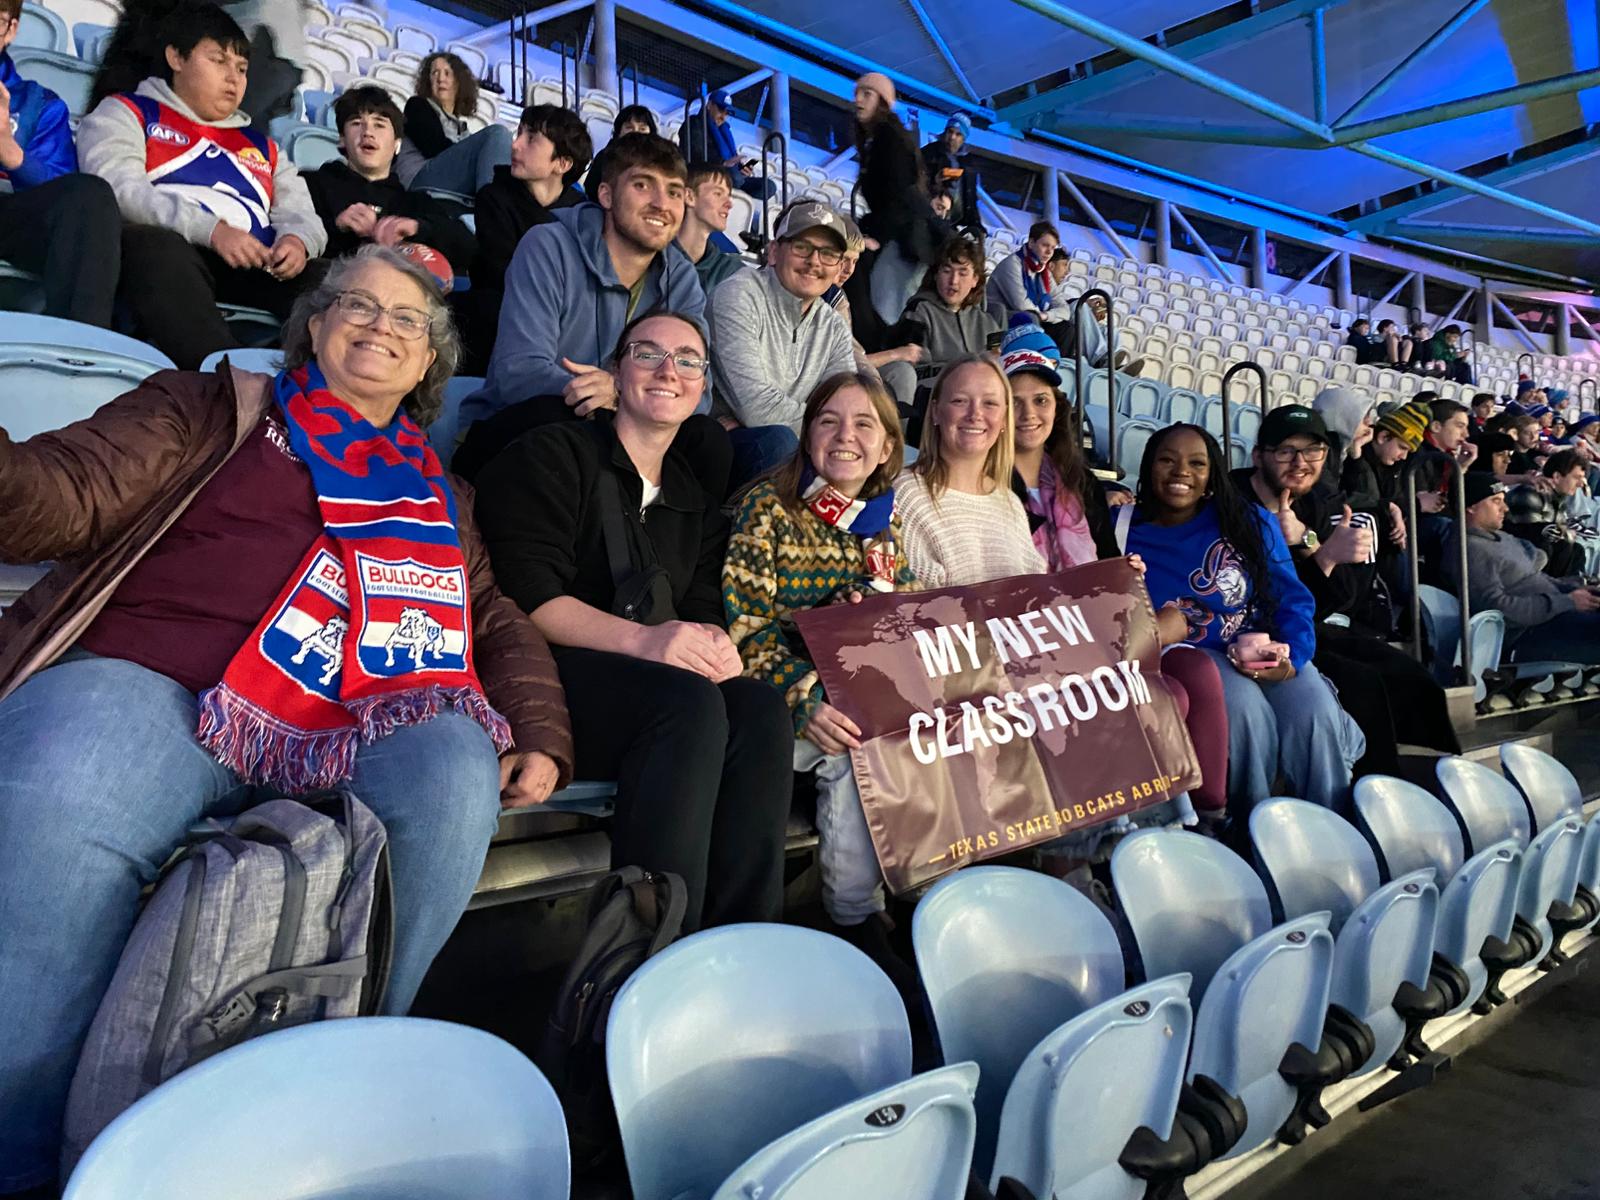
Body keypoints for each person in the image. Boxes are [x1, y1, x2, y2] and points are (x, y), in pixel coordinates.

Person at [0, 246, 574, 1195]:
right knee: (63, 801)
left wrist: (541, 732)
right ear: (313, 325)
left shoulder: (441, 495)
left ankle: (350, 1081)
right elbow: (69, 491)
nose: (381, 325)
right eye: (358, 304)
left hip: (361, 713)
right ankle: (23, 1164)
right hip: (160, 678)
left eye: (408, 320)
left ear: (431, 361)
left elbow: (489, 615)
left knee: (451, 767)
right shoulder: (211, 406)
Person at [473, 311, 793, 932]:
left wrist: (717, 645)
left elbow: (701, 605)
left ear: (703, 387)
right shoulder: (553, 453)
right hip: (548, 676)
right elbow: (525, 596)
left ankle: (747, 939)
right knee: (687, 704)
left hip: (649, 685)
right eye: (647, 353)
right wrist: (646, 641)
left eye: (688, 361)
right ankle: (653, 947)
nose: (667, 371)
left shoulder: (691, 494)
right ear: (617, 372)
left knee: (757, 707)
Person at [723, 373, 916, 974]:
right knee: (853, 748)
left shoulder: (884, 525)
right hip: (781, 707)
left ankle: (920, 899)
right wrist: (804, 698)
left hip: (863, 697)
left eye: (865, 424)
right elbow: (744, 633)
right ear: (807, 436)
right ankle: (852, 919)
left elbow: (907, 620)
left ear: (887, 447)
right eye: (828, 420)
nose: (845, 435)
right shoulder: (768, 509)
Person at [1003, 327, 1229, 817]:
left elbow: (1104, 559)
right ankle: (1122, 828)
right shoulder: (988, 481)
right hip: (1040, 640)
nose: (1028, 413)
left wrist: (1125, 573)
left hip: (1094, 625)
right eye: (1013, 400)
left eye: (1040, 400)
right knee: (1166, 696)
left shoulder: (1076, 480)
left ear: (1056, 407)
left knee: (1197, 667)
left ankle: (1212, 816)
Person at [1121, 423, 1365, 813]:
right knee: (1244, 711)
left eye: (1197, 463)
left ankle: (1333, 821)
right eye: (1166, 460)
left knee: (1314, 710)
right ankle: (1252, 823)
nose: (1181, 471)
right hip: (1192, 656)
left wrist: (1292, 660)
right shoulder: (1123, 530)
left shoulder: (1245, 519)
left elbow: (1292, 598)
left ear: (1212, 474)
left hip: (1261, 646)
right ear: (1148, 467)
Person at [78, 3, 327, 369]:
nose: (234, 78)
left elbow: (300, 212)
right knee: (152, 246)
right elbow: (118, 187)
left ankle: (302, 384)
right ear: (176, 57)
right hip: (178, 251)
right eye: (218, 61)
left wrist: (297, 240)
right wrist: (212, 231)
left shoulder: (264, 147)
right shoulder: (126, 112)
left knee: (334, 281)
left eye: (242, 68)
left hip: (257, 262)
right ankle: (226, 380)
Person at [455, 133, 712, 481]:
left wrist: (620, 396)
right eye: (642, 185)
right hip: (520, 429)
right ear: (606, 195)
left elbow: (699, 388)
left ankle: (657, 534)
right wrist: (618, 398)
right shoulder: (548, 246)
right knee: (561, 413)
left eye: (674, 192)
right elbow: (519, 373)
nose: (661, 204)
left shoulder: (681, 278)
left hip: (626, 433)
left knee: (706, 441)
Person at [1233, 406, 1458, 779]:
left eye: (1313, 451)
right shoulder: (1231, 498)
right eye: (1286, 451)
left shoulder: (1313, 504)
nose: (1301, 462)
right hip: (1251, 631)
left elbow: (1335, 599)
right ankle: (1373, 791)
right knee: (1361, 684)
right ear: (1260, 456)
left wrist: (1311, 545)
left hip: (1306, 626)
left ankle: (1442, 782)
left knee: (1412, 676)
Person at [708, 200, 856, 486]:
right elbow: (757, 409)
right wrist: (830, 428)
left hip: (801, 444)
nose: (814, 262)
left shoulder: (833, 325)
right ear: (775, 252)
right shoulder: (738, 295)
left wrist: (835, 429)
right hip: (727, 447)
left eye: (828, 254)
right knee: (779, 442)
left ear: (838, 267)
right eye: (802, 247)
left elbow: (845, 406)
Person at [0, 0, 122, 327]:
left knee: (90, 196)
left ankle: (81, 350)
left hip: (7, 210)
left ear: (10, 30)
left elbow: (63, 192)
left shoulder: (38, 103)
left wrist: (12, 155)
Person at [896, 354, 1044, 586]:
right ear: (935, 411)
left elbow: (1034, 594)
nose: (975, 415)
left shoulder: (1011, 504)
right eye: (960, 401)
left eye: (990, 403)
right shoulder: (905, 495)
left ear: (1005, 419)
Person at [465, 102, 592, 368]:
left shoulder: (584, 216)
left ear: (562, 163)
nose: (515, 145)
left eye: (531, 139)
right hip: (503, 320)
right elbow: (501, 274)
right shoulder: (494, 197)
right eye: (518, 133)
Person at [303, 86, 476, 274]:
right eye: (356, 123)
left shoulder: (415, 203)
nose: (367, 132)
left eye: (379, 124)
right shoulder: (310, 184)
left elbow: (467, 249)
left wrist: (418, 229)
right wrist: (335, 227)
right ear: (342, 140)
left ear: (397, 144)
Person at [1441, 474, 1600, 665]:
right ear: (1471, 507)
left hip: (1553, 617)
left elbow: (1536, 574)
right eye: (1496, 501)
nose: (1505, 508)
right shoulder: (1469, 550)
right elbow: (1497, 608)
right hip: (1527, 635)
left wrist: (1578, 587)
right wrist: (1566, 601)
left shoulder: (1499, 537)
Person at [852, 71, 936, 328]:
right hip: (893, 234)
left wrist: (876, 236)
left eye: (867, 94)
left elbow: (900, 195)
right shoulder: (877, 140)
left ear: (883, 102)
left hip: (901, 240)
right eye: (857, 93)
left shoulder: (890, 140)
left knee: (881, 312)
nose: (858, 100)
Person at [828, 216, 921, 413]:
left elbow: (853, 356)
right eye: (844, 259)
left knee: (902, 372)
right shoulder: (828, 297)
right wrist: (897, 353)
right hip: (827, 383)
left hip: (850, 373)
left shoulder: (839, 298)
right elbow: (846, 361)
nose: (848, 270)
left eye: (854, 261)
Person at [396, 53, 511, 195]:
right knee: (497, 134)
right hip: (419, 181)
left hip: (449, 188)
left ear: (459, 82)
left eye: (447, 73)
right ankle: (493, 206)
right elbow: (434, 147)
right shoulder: (417, 106)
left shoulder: (461, 128)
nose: (440, 79)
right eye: (434, 73)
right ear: (428, 81)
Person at [901, 236, 1001, 374]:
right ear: (936, 275)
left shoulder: (988, 322)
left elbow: (998, 362)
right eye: (947, 271)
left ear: (975, 280)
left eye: (962, 273)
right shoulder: (918, 312)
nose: (953, 281)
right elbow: (910, 367)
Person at [1505, 449, 1591, 577]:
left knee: (1577, 549)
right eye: (1576, 478)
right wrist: (1564, 533)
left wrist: (1564, 533)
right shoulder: (1530, 493)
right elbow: (1533, 532)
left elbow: (1560, 530)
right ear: (1557, 477)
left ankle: (1574, 585)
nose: (1579, 484)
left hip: (1541, 545)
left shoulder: (1559, 497)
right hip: (1515, 547)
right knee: (1551, 544)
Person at [676, 160, 746, 296]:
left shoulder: (730, 270)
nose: (729, 204)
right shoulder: (652, 255)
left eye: (729, 196)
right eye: (718, 194)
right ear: (689, 196)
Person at [919, 112, 982, 244]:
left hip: (954, 221)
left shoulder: (968, 164)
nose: (952, 137)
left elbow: (970, 198)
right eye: (950, 132)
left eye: (958, 134)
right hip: (928, 216)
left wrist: (976, 224)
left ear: (963, 139)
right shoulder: (928, 153)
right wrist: (934, 182)